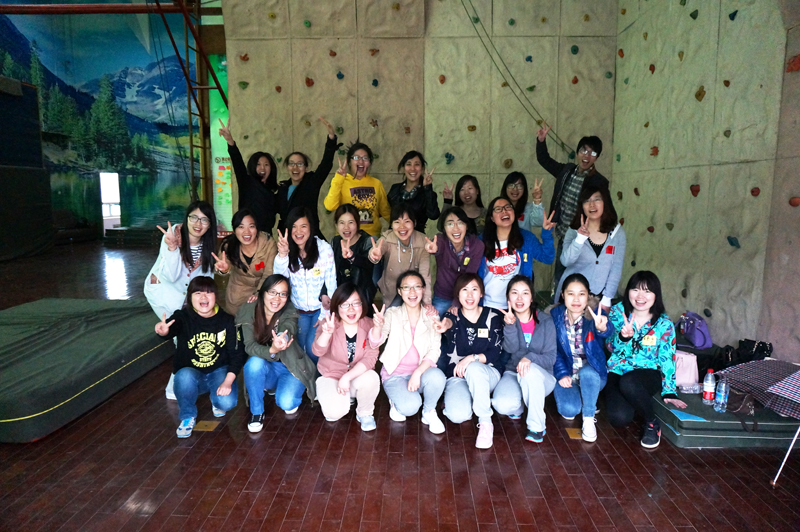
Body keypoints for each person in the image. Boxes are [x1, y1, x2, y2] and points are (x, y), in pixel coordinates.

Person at [144, 200, 218, 400]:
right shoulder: (172, 236)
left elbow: (205, 279)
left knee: (192, 331)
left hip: (182, 296)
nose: (198, 224)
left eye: (204, 220)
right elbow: (173, 275)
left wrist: (206, 304)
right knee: (184, 333)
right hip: (162, 290)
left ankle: (184, 383)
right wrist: (172, 249)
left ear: (210, 225)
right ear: (186, 218)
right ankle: (175, 387)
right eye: (194, 217)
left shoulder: (207, 246)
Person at [154, 277, 245, 438]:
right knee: (183, 376)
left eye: (209, 293)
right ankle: (187, 416)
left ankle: (216, 399)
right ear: (190, 297)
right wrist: (164, 331)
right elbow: (171, 328)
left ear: (216, 296)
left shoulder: (227, 320)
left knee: (227, 402)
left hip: (218, 370)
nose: (203, 297)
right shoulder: (182, 317)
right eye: (198, 293)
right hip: (192, 374)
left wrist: (227, 382)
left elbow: (238, 354)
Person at [606, 271, 686, 449]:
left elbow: (667, 357)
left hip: (647, 373)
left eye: (647, 291)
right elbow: (610, 347)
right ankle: (634, 400)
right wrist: (623, 337)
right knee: (619, 418)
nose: (640, 296)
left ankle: (651, 423)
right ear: (628, 291)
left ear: (656, 295)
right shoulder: (618, 312)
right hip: (619, 369)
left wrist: (669, 391)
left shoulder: (664, 324)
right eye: (635, 289)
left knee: (629, 383)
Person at [236, 274, 316, 432]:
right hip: (266, 366)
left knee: (287, 403)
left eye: (282, 294)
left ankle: (279, 387)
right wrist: (271, 350)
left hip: (289, 366)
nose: (277, 298)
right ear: (262, 292)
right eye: (272, 292)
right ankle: (257, 412)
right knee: (253, 363)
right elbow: (249, 346)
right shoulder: (248, 310)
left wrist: (282, 338)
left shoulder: (289, 309)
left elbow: (288, 327)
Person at [437, 274, 508, 449]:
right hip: (458, 376)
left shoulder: (493, 316)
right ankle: (475, 398)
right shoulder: (452, 315)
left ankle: (485, 422)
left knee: (474, 368)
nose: (470, 295)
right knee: (457, 415)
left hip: (487, 373)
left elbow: (495, 351)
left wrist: (471, 359)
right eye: (465, 290)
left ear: (481, 293)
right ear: (458, 294)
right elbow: (448, 323)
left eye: (474, 289)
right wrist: (444, 326)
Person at [370, 270, 447, 434]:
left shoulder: (432, 316)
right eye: (406, 287)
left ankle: (429, 411)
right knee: (410, 407)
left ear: (423, 289)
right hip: (395, 374)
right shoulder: (392, 314)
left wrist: (417, 373)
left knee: (438, 377)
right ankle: (396, 400)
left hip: (421, 372)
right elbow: (375, 342)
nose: (412, 292)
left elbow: (435, 350)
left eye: (417, 287)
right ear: (399, 291)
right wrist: (377, 327)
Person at [535, 123, 608, 290]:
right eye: (584, 150)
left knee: (583, 278)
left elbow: (603, 211)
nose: (587, 156)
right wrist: (541, 141)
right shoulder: (566, 170)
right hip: (564, 235)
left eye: (592, 153)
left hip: (586, 238)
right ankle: (559, 301)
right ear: (577, 152)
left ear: (597, 157)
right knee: (561, 276)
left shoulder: (599, 182)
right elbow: (544, 160)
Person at [491, 275, 558, 443]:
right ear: (508, 298)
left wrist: (529, 358)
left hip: (542, 377)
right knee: (501, 404)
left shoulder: (546, 321)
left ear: (532, 297)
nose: (519, 298)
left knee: (530, 371)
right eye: (514, 293)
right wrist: (510, 326)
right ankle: (519, 405)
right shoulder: (506, 320)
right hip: (513, 373)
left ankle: (537, 426)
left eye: (525, 293)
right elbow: (511, 349)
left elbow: (551, 358)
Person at [551, 273, 614, 443]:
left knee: (588, 373)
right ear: (563, 295)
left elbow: (608, 330)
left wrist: (602, 328)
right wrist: (562, 373)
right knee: (569, 411)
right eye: (571, 293)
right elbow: (553, 350)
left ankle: (588, 418)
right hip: (568, 375)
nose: (576, 299)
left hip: (593, 375)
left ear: (588, 296)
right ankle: (587, 398)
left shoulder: (595, 316)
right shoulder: (555, 316)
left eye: (582, 294)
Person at [312, 283, 381, 431]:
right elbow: (318, 352)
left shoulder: (369, 325)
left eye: (356, 303)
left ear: (362, 304)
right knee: (333, 414)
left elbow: (370, 358)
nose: (351, 309)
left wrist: (347, 377)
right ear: (337, 307)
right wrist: (327, 334)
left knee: (371, 377)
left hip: (356, 376)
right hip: (331, 375)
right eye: (344, 304)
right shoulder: (328, 323)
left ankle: (365, 413)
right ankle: (336, 394)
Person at [273, 207, 337, 362]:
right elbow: (279, 280)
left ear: (311, 227)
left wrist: (325, 314)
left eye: (303, 226)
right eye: (294, 227)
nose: (298, 231)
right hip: (298, 310)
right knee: (301, 348)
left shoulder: (324, 249)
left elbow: (331, 284)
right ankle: (307, 377)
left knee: (313, 348)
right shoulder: (287, 249)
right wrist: (282, 254)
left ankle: (317, 377)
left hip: (319, 309)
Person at [556, 185, 626, 314]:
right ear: (582, 206)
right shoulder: (573, 230)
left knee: (595, 327)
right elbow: (565, 261)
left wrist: (607, 298)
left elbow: (616, 268)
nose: (592, 205)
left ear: (605, 203)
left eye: (597, 199)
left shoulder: (617, 233)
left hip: (599, 297)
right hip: (572, 295)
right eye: (587, 201)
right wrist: (580, 239)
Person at [478, 197, 556, 310]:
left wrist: (547, 234)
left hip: (518, 307)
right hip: (488, 305)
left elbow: (547, 258)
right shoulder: (481, 241)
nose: (504, 211)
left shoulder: (526, 238)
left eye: (508, 207)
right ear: (492, 218)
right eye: (498, 209)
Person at [275, 117, 340, 238]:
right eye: (292, 164)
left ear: (306, 167)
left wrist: (331, 139)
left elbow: (325, 164)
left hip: (310, 237)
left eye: (300, 164)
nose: (295, 168)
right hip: (289, 239)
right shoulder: (282, 189)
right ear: (287, 167)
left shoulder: (311, 183)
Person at [218, 119, 278, 233]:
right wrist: (230, 142)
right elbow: (238, 163)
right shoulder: (247, 183)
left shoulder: (273, 192)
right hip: (247, 235)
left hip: (265, 237)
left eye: (266, 165)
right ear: (253, 167)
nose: (262, 168)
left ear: (271, 169)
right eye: (258, 164)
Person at [214, 209, 278, 316]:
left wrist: (259, 293)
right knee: (237, 323)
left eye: (251, 226)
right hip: (237, 294)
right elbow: (224, 266)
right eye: (241, 227)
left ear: (256, 228)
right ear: (234, 229)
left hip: (262, 291)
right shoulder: (228, 244)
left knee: (258, 322)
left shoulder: (268, 243)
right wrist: (224, 270)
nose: (246, 232)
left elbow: (268, 273)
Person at [368, 204, 433, 309]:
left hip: (413, 291)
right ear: (392, 224)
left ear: (414, 223)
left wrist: (427, 302)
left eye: (407, 221)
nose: (402, 227)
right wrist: (374, 254)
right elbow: (380, 247)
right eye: (397, 222)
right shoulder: (388, 237)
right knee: (390, 315)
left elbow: (425, 274)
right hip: (391, 288)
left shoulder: (423, 242)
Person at [424, 206, 485, 316]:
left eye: (460, 223)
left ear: (467, 226)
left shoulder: (477, 245)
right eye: (450, 224)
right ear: (444, 228)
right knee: (434, 322)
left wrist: (456, 304)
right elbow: (437, 246)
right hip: (442, 296)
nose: (456, 228)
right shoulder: (441, 240)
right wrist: (433, 249)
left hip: (466, 297)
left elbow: (469, 276)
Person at [323, 141, 391, 238]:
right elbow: (330, 206)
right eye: (356, 158)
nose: (361, 161)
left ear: (370, 162)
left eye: (365, 158)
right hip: (347, 237)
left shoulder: (376, 184)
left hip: (371, 238)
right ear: (349, 162)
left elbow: (386, 211)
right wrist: (338, 179)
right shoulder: (341, 181)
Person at [330, 204, 376, 304]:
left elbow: (369, 265)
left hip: (362, 299)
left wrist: (353, 257)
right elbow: (329, 270)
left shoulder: (367, 241)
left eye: (351, 222)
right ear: (336, 225)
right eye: (342, 223)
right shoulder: (335, 242)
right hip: (340, 298)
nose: (346, 227)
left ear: (357, 223)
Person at [387, 151, 440, 233]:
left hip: (416, 237)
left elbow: (433, 215)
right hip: (394, 235)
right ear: (403, 168)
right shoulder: (395, 189)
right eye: (408, 164)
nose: (412, 168)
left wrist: (427, 188)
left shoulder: (426, 192)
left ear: (422, 168)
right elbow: (386, 211)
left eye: (417, 164)